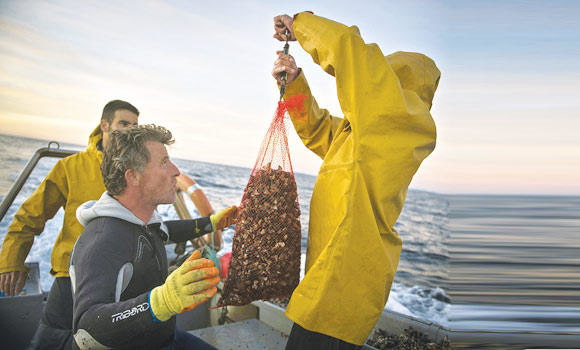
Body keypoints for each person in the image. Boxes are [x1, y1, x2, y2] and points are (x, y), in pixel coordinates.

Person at [272, 12, 440, 349]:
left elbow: (350, 52)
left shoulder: (402, 123)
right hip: (332, 272)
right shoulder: (364, 133)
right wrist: (294, 81)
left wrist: (300, 25)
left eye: (385, 76)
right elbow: (318, 129)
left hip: (346, 280)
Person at [70, 124, 237, 349]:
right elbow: (86, 329)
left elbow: (168, 231)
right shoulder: (102, 241)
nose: (176, 171)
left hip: (163, 338)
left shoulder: (144, 223)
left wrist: (211, 223)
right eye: (164, 162)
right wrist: (161, 302)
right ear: (133, 177)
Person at [0, 100, 139, 349]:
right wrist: (12, 260)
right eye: (124, 123)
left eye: (135, 125)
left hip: (119, 278)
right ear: (104, 125)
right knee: (49, 342)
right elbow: (30, 215)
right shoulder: (70, 166)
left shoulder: (137, 171)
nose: (130, 130)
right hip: (72, 274)